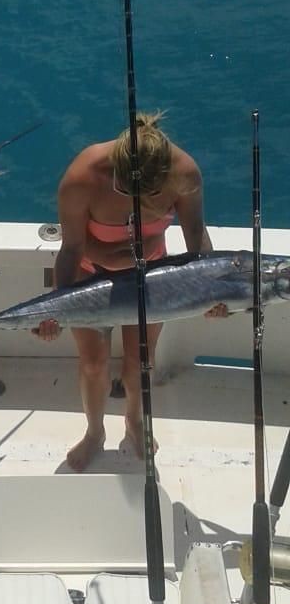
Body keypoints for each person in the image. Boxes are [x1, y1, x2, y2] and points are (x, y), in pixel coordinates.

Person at [36, 112, 226, 471]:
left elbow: (196, 237)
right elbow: (71, 248)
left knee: (141, 362)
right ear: (118, 173)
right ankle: (95, 432)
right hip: (90, 277)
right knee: (93, 365)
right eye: (126, 191)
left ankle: (134, 421)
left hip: (150, 277)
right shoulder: (83, 175)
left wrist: (212, 290)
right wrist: (55, 308)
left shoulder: (186, 173)